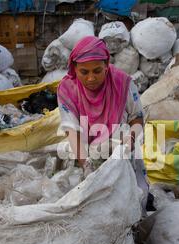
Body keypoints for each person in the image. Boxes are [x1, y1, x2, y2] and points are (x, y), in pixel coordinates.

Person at [57, 36, 150, 212]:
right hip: (84, 153)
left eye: (97, 71)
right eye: (84, 72)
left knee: (132, 200)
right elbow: (71, 129)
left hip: (121, 151)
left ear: (107, 65)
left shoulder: (123, 83)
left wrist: (130, 139)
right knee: (89, 205)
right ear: (74, 68)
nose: (91, 78)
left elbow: (136, 117)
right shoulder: (67, 89)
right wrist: (86, 165)